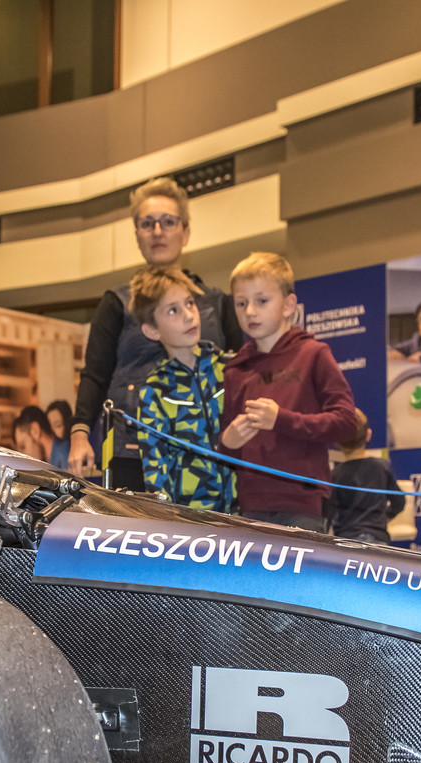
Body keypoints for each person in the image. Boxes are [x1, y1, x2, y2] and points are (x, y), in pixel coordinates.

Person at [68, 177, 241, 487]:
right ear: (137, 235)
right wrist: (80, 434)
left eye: (168, 222)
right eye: (147, 224)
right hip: (130, 452)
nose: (158, 231)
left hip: (206, 452)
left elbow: (241, 373)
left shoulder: (217, 303)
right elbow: (95, 375)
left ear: (186, 231)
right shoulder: (116, 303)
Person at [221, 252, 356, 532]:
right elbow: (228, 447)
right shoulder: (236, 368)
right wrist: (227, 442)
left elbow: (346, 422)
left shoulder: (314, 354)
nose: (250, 311)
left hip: (303, 504)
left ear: (288, 304)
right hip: (250, 504)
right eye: (241, 303)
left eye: (262, 301)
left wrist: (280, 419)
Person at [129, 266, 234, 512]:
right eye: (173, 310)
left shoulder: (231, 369)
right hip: (191, 521)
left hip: (246, 515)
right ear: (152, 330)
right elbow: (155, 474)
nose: (188, 316)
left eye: (190, 304)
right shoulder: (154, 392)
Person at [330, 410, 405, 542]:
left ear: (338, 441)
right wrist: (383, 518)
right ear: (368, 434)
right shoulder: (381, 466)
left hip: (346, 539)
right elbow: (399, 502)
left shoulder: (335, 474)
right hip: (377, 538)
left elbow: (329, 513)